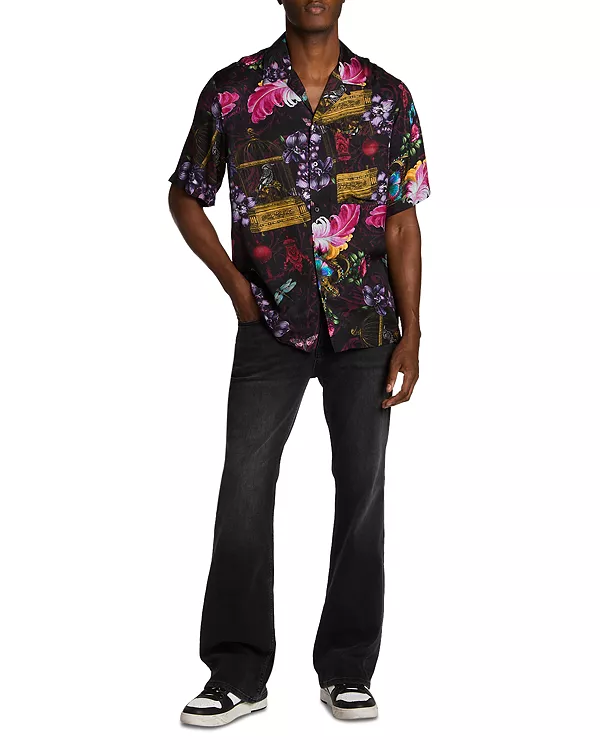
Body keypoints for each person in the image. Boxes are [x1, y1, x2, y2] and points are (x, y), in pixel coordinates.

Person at [167, 0, 430, 726]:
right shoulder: (233, 90)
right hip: (270, 323)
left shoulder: (387, 96)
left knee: (362, 493)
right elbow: (186, 195)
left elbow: (402, 220)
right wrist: (236, 287)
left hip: (365, 323)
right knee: (244, 491)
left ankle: (347, 668)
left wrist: (412, 332)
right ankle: (236, 672)